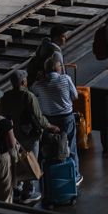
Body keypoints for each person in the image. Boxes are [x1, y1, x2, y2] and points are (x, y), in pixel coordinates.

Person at [31, 55, 81, 186]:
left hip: (48, 121)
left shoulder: (39, 84)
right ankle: (74, 175)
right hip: (66, 118)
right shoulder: (65, 79)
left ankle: (49, 176)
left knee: (50, 147)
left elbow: (32, 92)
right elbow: (75, 96)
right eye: (61, 66)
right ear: (57, 68)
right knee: (71, 145)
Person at [0, 68, 51, 165]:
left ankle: (21, 180)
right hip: (30, 136)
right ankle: (32, 180)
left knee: (19, 165)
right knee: (32, 164)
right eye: (26, 80)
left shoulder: (6, 96)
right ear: (23, 82)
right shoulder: (28, 96)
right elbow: (39, 117)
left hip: (13, 136)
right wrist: (50, 126)